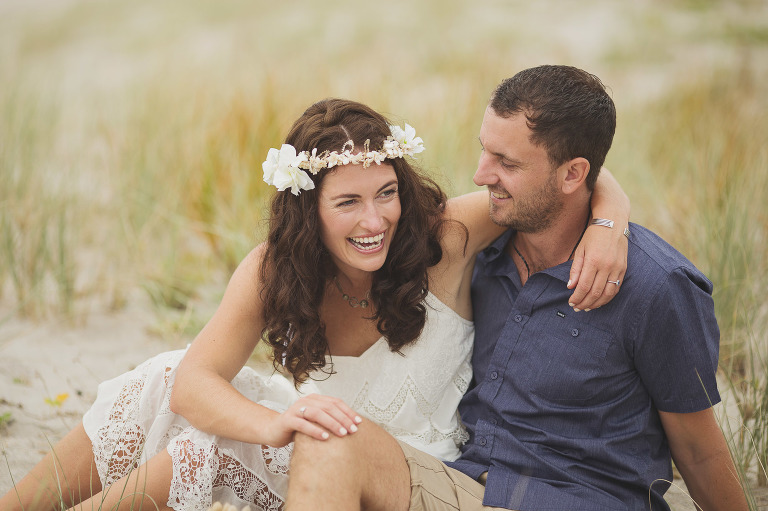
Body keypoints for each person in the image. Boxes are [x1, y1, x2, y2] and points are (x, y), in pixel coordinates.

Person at [0, 98, 629, 511]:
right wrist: (273, 425)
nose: (375, 220)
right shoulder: (277, 269)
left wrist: (610, 223)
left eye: (386, 193)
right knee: (165, 378)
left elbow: (564, 175)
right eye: (348, 202)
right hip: (304, 445)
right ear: (309, 210)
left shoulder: (445, 237)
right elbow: (195, 382)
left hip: (405, 472)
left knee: (206, 448)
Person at [283, 67, 749, 511]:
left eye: (506, 162)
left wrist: (610, 221)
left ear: (572, 174)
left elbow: (699, 451)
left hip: (576, 500)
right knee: (330, 441)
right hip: (464, 484)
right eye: (485, 150)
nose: (481, 175)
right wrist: (610, 211)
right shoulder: (480, 250)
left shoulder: (656, 286)